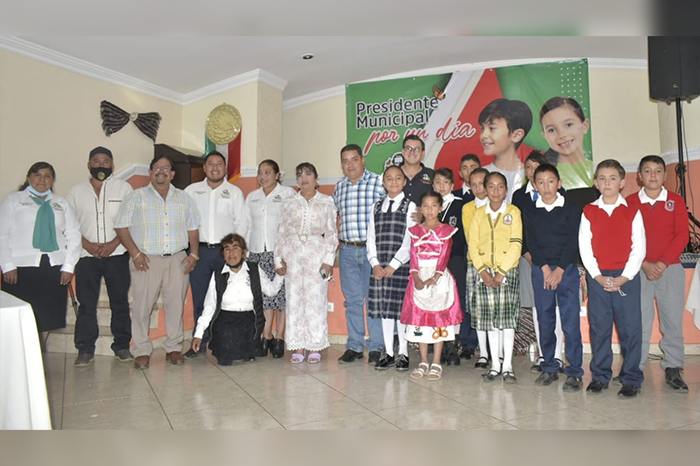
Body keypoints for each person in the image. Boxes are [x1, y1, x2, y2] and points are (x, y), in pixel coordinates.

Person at [114, 154, 201, 370]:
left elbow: (192, 228)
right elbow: (121, 226)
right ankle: (142, 350)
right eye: (157, 168)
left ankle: (173, 347)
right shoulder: (136, 197)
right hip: (145, 260)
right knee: (142, 307)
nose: (161, 171)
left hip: (177, 259)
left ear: (172, 174)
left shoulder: (184, 198)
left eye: (166, 168)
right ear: (151, 172)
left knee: (175, 306)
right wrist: (135, 254)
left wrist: (194, 254)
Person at [579, 159, 645, 399]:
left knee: (630, 329)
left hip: (626, 278)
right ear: (596, 183)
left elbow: (639, 247)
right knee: (600, 328)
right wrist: (597, 276)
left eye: (613, 178)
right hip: (598, 278)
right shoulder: (589, 211)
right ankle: (600, 376)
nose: (607, 183)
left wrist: (624, 277)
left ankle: (631, 378)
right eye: (602, 179)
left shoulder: (632, 211)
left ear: (622, 182)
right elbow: (585, 247)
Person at [626, 155, 690, 392]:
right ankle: (635, 367)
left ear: (665, 175)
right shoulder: (630, 202)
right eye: (647, 171)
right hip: (639, 270)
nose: (653, 175)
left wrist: (662, 263)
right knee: (639, 321)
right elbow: (626, 237)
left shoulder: (676, 201)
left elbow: (682, 235)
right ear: (639, 176)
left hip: (670, 269)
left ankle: (673, 366)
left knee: (672, 321)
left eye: (658, 171)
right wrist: (644, 264)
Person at [0, 162, 81, 346]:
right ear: (29, 177)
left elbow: (74, 235)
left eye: (47, 176)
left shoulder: (61, 203)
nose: (42, 180)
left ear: (52, 180)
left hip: (52, 267)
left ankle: (37, 356)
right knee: (20, 318)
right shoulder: (14, 200)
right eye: (37, 175)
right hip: (20, 268)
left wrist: (68, 266)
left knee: (45, 318)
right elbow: (1, 235)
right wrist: (7, 265)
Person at [66, 146, 134, 366]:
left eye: (106, 161)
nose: (101, 165)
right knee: (86, 304)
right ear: (89, 164)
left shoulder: (124, 189)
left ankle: (122, 346)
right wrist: (87, 245)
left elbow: (130, 220)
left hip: (117, 255)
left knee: (119, 302)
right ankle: (85, 349)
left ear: (112, 165)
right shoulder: (75, 192)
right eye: (96, 161)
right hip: (86, 257)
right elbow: (70, 225)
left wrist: (113, 244)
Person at [183, 151, 250, 359]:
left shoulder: (234, 193)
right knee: (200, 299)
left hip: (225, 254)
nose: (214, 168)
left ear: (225, 167)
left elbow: (242, 223)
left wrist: (235, 252)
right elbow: (183, 221)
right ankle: (200, 343)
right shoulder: (191, 191)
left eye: (219, 164)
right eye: (210, 164)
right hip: (199, 253)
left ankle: (224, 343)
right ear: (204, 168)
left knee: (227, 300)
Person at [524, 164, 584, 391]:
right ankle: (549, 366)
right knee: (545, 319)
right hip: (541, 270)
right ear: (535, 185)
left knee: (570, 322)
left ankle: (575, 371)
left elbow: (573, 239)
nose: (546, 187)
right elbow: (531, 242)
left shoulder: (571, 207)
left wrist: (559, 269)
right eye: (540, 182)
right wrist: (545, 268)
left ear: (559, 183)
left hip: (566, 269)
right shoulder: (531, 210)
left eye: (550, 181)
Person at [276, 163, 338, 364]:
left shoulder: (326, 202)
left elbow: (331, 234)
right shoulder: (289, 202)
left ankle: (314, 346)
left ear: (316, 178)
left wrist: (328, 261)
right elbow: (281, 232)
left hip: (316, 257)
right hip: (293, 256)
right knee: (294, 301)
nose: (304, 178)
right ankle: (298, 346)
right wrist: (278, 259)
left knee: (315, 301)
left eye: (308, 174)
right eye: (300, 175)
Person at [190, 234, 282, 365]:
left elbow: (271, 291)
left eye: (235, 248)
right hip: (225, 323)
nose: (231, 253)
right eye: (227, 249)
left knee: (247, 354)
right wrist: (198, 334)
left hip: (249, 323)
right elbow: (210, 306)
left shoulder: (254, 270)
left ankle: (248, 347)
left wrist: (280, 275)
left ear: (243, 252)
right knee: (225, 360)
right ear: (223, 254)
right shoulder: (218, 274)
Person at [401, 191, 462, 381]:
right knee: (421, 321)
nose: (429, 210)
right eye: (425, 206)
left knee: (438, 320)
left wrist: (434, 278)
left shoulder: (446, 230)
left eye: (434, 205)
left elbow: (444, 256)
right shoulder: (415, 231)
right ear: (420, 209)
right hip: (419, 276)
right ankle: (423, 361)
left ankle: (436, 362)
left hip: (438, 278)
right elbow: (413, 255)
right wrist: (416, 277)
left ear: (440, 208)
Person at [512, 150, 564, 373]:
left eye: (536, 167)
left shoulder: (561, 195)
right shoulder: (519, 196)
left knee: (556, 307)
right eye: (529, 168)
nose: (532, 172)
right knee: (536, 306)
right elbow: (518, 228)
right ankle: (543, 354)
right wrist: (527, 252)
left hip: (555, 261)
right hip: (529, 259)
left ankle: (558, 355)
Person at [468, 172, 522, 383]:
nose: (496, 191)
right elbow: (473, 245)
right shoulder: (478, 214)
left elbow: (516, 244)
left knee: (506, 321)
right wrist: (483, 271)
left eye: (500, 187)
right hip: (484, 273)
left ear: (506, 190)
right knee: (490, 321)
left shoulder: (513, 212)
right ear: (485, 189)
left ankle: (507, 365)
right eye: (491, 186)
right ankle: (495, 365)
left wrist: (501, 271)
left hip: (506, 273)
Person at [333, 144, 385, 364]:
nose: (350, 165)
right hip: (347, 251)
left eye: (354, 159)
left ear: (363, 160)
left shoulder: (378, 182)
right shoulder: (339, 187)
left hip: (371, 252)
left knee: (373, 300)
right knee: (352, 301)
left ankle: (376, 346)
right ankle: (354, 346)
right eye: (345, 161)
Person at [367, 165, 417, 371]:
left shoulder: (410, 206)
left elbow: (409, 240)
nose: (394, 182)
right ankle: (388, 352)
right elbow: (371, 238)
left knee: (400, 311)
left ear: (404, 182)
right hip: (380, 267)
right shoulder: (376, 206)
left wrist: (394, 264)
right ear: (383, 182)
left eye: (398, 178)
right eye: (389, 178)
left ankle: (403, 353)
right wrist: (375, 263)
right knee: (385, 311)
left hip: (400, 267)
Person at [246, 159, 295, 359]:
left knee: (281, 297)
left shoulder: (288, 194)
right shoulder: (252, 197)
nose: (263, 176)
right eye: (260, 172)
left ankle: (280, 338)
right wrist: (246, 252)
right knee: (264, 298)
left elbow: (292, 224)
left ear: (277, 175)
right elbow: (247, 225)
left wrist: (287, 253)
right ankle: (266, 335)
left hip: (280, 253)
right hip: (257, 252)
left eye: (267, 172)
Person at [432, 168, 465, 366]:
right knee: (436, 301)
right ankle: (439, 343)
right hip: (433, 262)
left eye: (445, 182)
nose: (441, 186)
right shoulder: (429, 206)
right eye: (438, 182)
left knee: (454, 301)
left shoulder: (460, 205)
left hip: (454, 259)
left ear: (452, 185)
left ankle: (453, 345)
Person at [461, 167, 491, 369]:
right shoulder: (468, 208)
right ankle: (481, 350)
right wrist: (482, 263)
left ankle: (495, 349)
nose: (479, 188)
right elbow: (471, 236)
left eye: (482, 183)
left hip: (498, 263)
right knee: (477, 307)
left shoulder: (501, 206)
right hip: (475, 262)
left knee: (494, 307)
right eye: (474, 185)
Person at [479, 98, 533, 202]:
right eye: (482, 129)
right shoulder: (481, 174)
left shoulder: (530, 175)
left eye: (492, 128)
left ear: (517, 135)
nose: (484, 135)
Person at [539, 96, 593, 189]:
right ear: (545, 136)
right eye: (551, 130)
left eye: (568, 125)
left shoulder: (597, 169)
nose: (562, 135)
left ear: (585, 126)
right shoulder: (540, 172)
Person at [399, 135, 434, 205]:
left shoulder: (432, 175)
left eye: (417, 149)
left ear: (423, 153)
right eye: (408, 148)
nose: (412, 152)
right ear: (403, 151)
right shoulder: (391, 175)